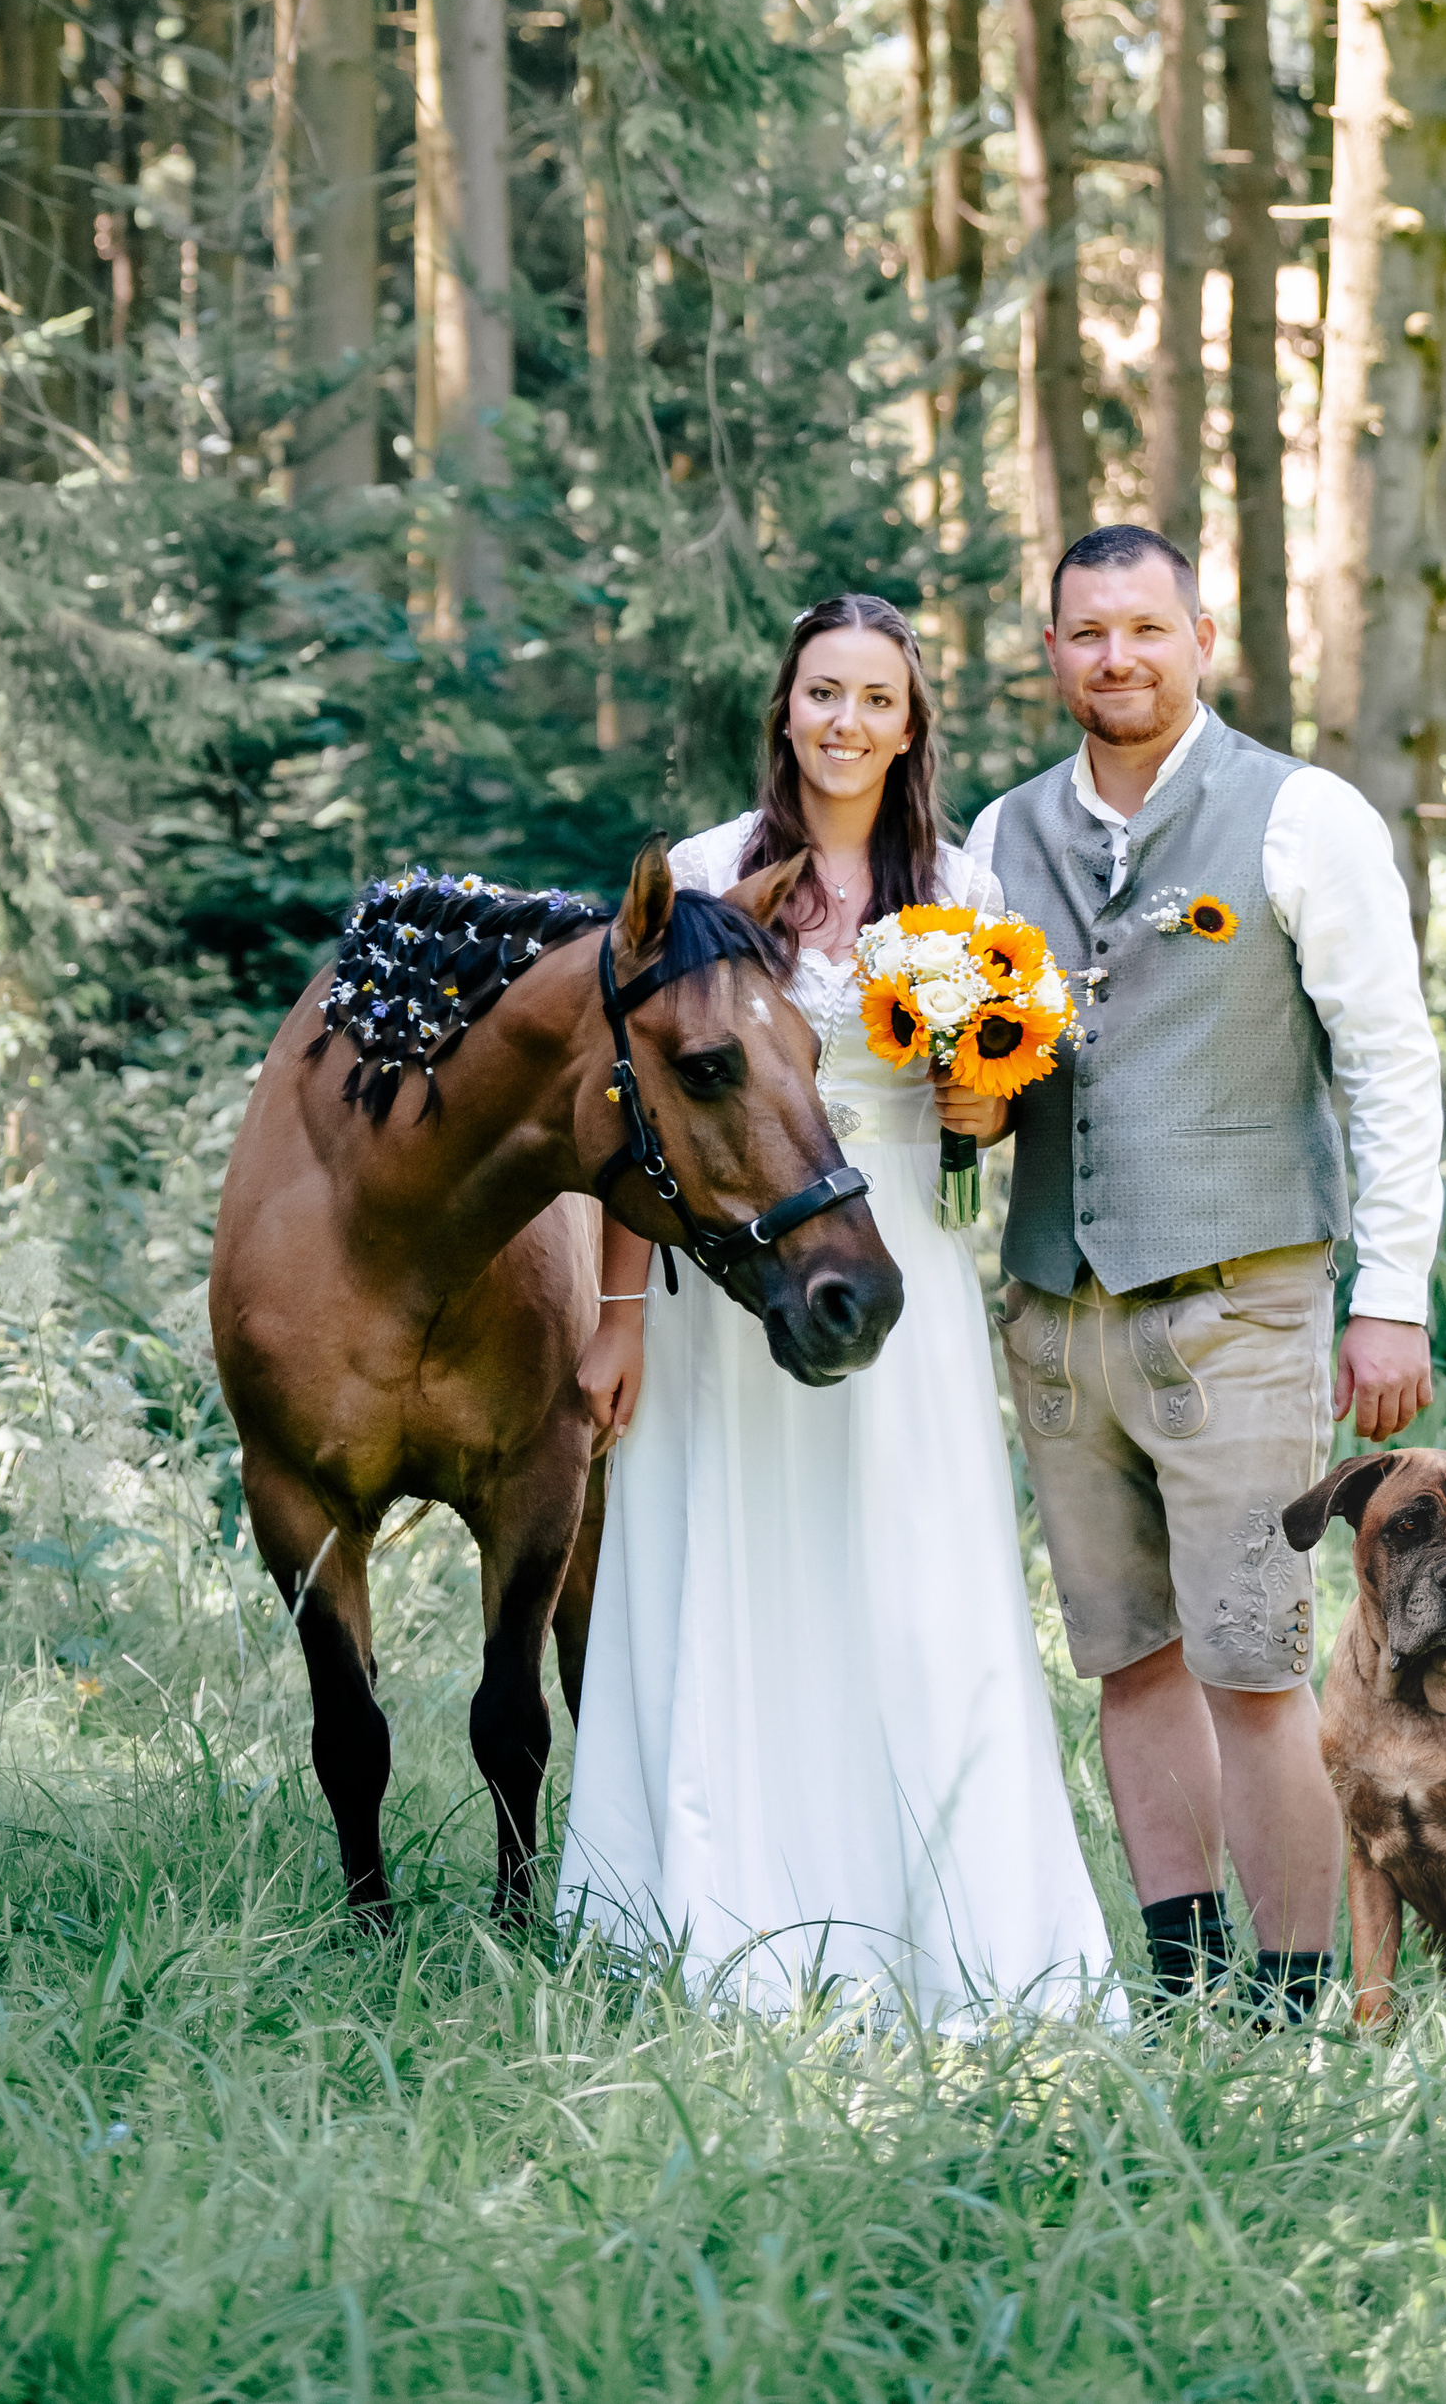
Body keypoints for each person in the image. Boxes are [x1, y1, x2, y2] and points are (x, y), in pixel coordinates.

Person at [557, 594, 1119, 2023]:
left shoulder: (965, 887)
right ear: (785, 710)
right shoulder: (704, 876)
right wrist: (619, 1317)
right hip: (726, 1292)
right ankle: (717, 1920)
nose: (846, 723)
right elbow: (636, 1119)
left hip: (895, 1264)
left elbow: (994, 1103)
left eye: (877, 699)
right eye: (824, 693)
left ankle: (945, 1936)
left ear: (911, 724)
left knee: (915, 1588)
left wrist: (982, 1104)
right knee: (727, 1574)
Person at [959, 523, 1443, 2019]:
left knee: (1253, 1660)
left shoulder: (1302, 816)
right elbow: (981, 1066)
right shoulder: (998, 838)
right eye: (1087, 633)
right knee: (1129, 1658)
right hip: (1058, 1311)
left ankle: (1293, 2004)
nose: (1117, 657)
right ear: (1053, 652)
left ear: (1201, 640)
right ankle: (1187, 1982)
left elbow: (1388, 1063)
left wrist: (1392, 1299)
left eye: (1145, 629)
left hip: (1243, 1300)